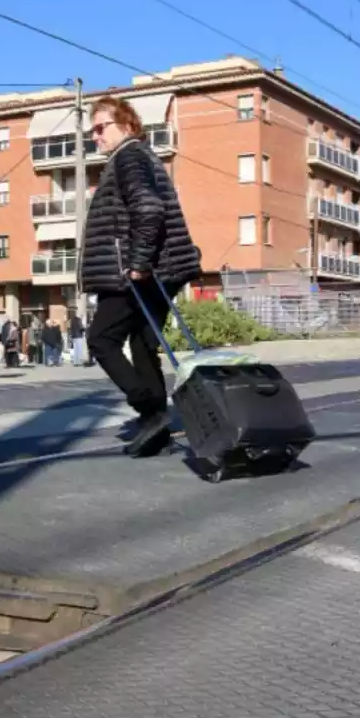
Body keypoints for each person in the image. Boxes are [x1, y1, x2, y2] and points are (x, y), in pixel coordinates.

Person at [80, 95, 202, 457]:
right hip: (163, 268)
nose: (96, 137)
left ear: (128, 126)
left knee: (101, 339)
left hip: (137, 271)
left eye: (101, 128)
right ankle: (157, 425)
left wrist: (137, 262)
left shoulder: (129, 156)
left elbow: (148, 209)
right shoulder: (140, 156)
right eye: (92, 131)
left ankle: (151, 411)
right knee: (143, 342)